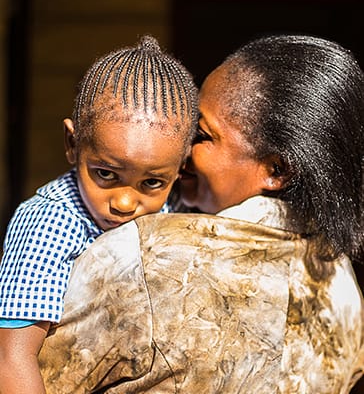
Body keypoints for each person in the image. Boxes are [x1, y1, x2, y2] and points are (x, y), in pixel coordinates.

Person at [38, 34, 364, 393]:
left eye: (202, 135)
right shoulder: (342, 283)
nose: (180, 148)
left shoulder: (147, 257)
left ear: (276, 171)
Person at [0, 35, 198, 393]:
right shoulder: (50, 223)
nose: (124, 202)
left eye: (152, 182)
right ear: (73, 145)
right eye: (106, 174)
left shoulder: (176, 209)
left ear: (180, 169)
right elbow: (12, 358)